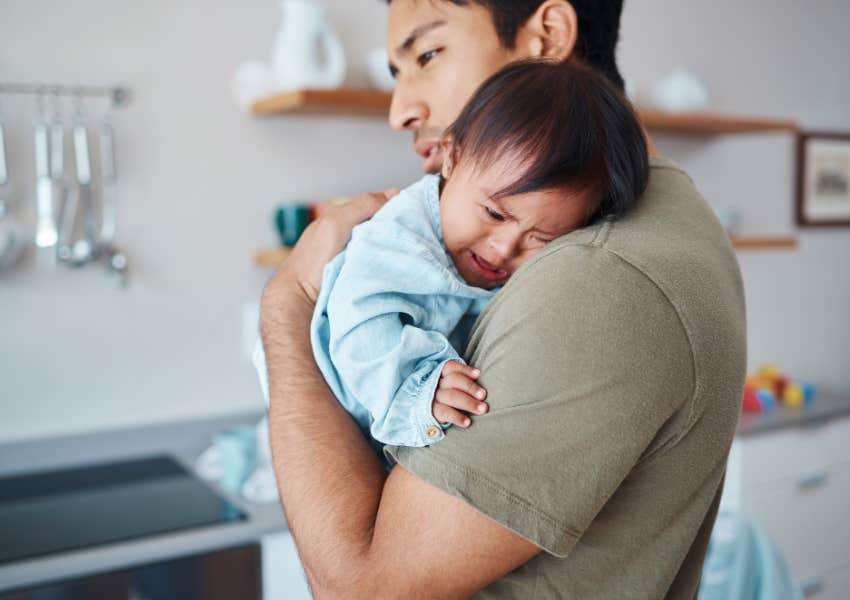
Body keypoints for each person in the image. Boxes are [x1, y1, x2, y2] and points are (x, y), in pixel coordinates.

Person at [258, 1, 746, 598]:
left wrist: (287, 303)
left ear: (548, 35)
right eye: (395, 72)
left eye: (428, 54)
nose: (400, 110)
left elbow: (359, 588)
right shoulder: (658, 223)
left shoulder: (599, 273)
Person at [256, 60, 649, 459]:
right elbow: (361, 323)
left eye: (542, 239)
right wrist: (420, 386)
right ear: (451, 157)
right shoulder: (400, 236)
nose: (503, 249)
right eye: (494, 214)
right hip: (335, 404)